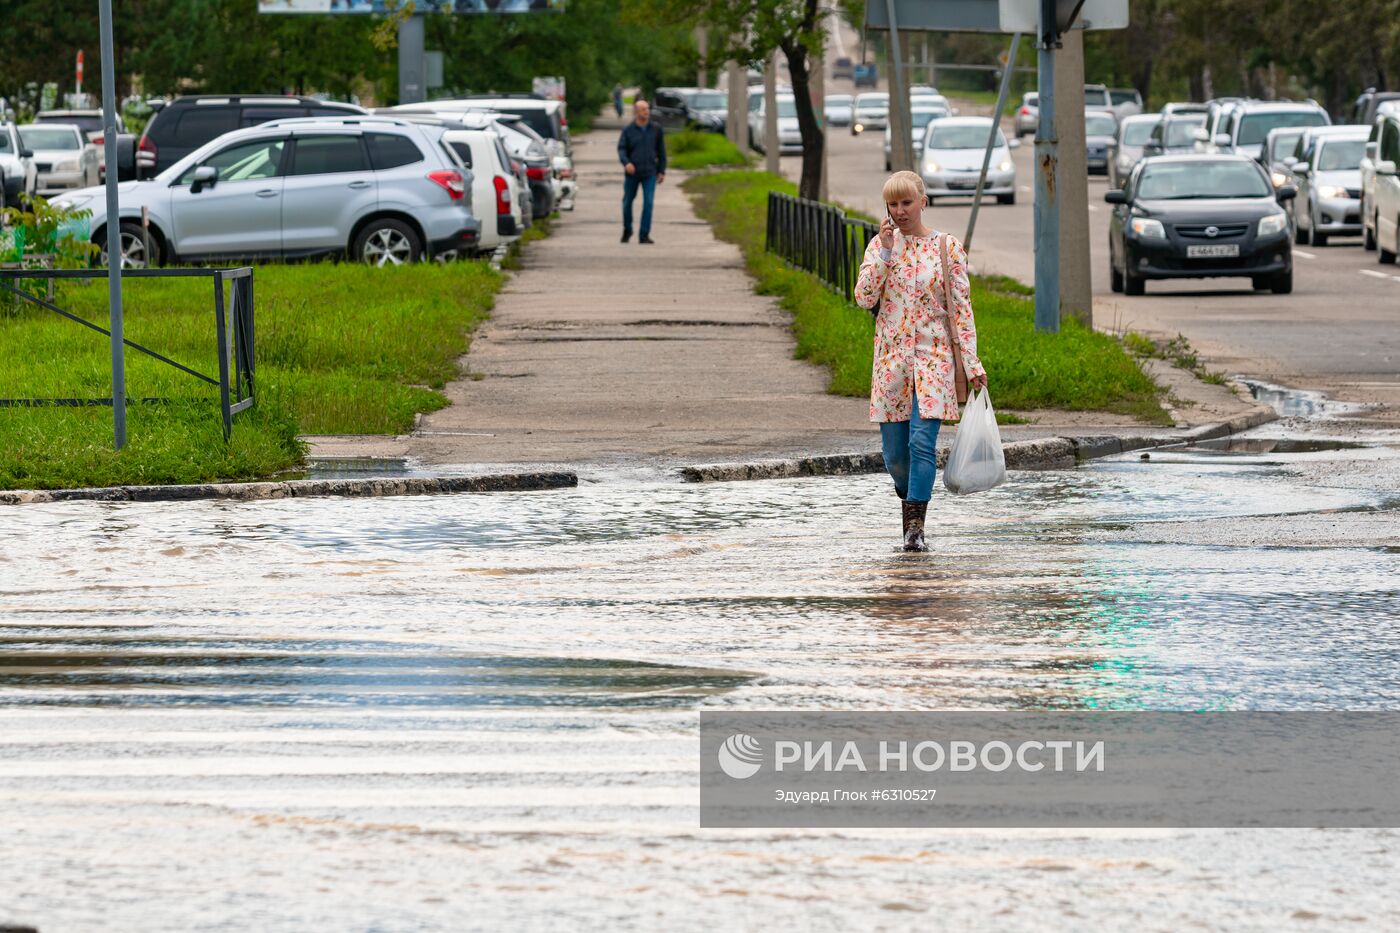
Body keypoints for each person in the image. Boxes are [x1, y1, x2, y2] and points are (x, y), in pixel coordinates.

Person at [854, 170, 989, 552]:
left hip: (934, 360)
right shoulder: (880, 247)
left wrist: (972, 362)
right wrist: (882, 251)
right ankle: (908, 494)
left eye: (906, 203)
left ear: (923, 202)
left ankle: (915, 530)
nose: (899, 211)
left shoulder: (947, 248)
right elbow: (864, 298)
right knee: (896, 455)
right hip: (891, 363)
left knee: (921, 442)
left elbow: (962, 310)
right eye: (893, 204)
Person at [616, 99, 666, 244]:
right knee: (627, 202)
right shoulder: (628, 130)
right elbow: (622, 149)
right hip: (633, 172)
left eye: (647, 109)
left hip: (650, 172)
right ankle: (627, 228)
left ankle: (644, 234)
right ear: (637, 112)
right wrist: (627, 163)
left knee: (648, 203)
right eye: (644, 110)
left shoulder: (655, 129)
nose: (647, 112)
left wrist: (661, 170)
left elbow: (661, 151)